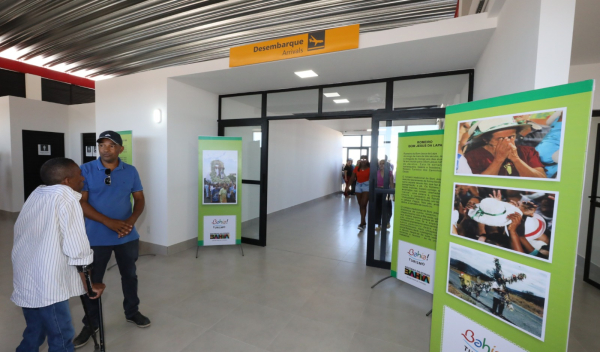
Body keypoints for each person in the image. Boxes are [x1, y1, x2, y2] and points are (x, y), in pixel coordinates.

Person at [12, 158, 105, 352]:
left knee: (35, 330)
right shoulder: (67, 198)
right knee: (61, 335)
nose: (83, 178)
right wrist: (88, 284)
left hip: (26, 273)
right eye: (79, 174)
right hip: (49, 282)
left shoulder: (37, 194)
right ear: (66, 181)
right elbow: (77, 248)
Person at [74, 131, 150, 348]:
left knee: (130, 275)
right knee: (92, 282)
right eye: (102, 145)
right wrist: (109, 222)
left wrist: (131, 221)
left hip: (126, 236)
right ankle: (91, 324)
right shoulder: (86, 169)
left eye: (111, 145)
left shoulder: (131, 171)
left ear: (120, 149)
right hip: (96, 237)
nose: (106, 149)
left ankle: (132, 312)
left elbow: (139, 198)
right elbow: (82, 202)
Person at [464, 117, 546, 178]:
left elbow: (542, 180)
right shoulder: (473, 156)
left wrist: (516, 159)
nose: (507, 142)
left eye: (511, 137)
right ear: (486, 140)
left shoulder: (528, 151)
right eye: (500, 139)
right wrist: (498, 160)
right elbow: (479, 186)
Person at [350, 155, 370, 231]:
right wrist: (347, 187)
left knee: (363, 204)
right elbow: (352, 177)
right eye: (362, 159)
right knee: (361, 205)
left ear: (367, 160)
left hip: (366, 186)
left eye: (365, 159)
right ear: (360, 160)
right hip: (358, 186)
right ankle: (363, 221)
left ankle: (361, 223)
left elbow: (373, 179)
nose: (363, 160)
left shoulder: (370, 169)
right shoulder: (356, 168)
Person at [374, 159, 394, 231]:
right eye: (380, 164)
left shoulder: (389, 172)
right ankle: (379, 224)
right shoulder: (376, 172)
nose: (381, 165)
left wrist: (393, 194)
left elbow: (391, 183)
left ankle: (387, 222)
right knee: (378, 208)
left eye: (383, 163)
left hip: (387, 191)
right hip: (378, 191)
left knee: (388, 207)